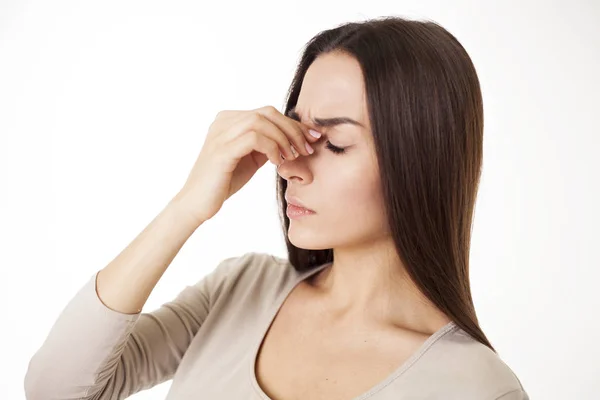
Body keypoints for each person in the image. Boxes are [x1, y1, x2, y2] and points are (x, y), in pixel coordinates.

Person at [24, 16, 529, 400]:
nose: (292, 166)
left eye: (333, 144)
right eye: (296, 133)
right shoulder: (241, 289)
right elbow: (56, 388)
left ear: (420, 157)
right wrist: (187, 206)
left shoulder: (475, 387)